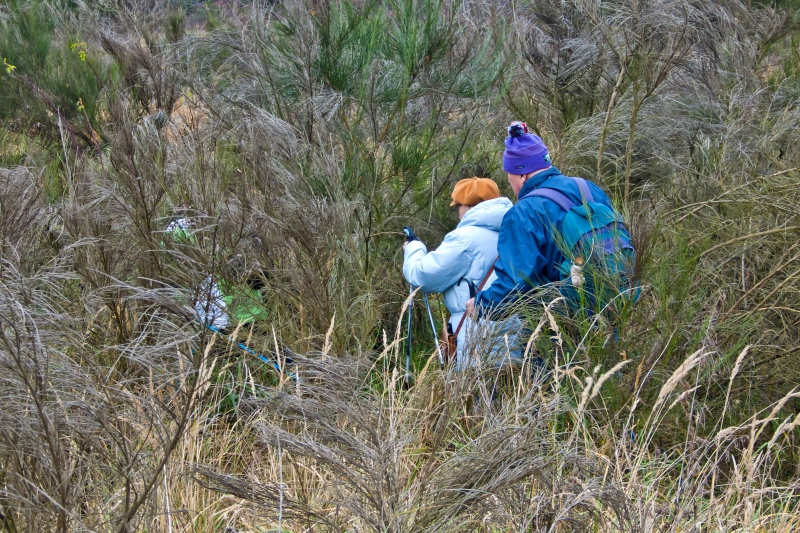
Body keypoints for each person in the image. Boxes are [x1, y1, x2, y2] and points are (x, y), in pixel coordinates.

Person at [466, 122, 633, 318]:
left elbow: (515, 285)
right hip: (618, 308)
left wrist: (481, 305)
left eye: (509, 175)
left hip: (564, 324)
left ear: (522, 175)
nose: (510, 182)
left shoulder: (523, 213)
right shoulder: (588, 188)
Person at [403, 178, 513, 369]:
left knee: (475, 388)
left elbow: (423, 277)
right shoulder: (515, 231)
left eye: (458, 207)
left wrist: (414, 248)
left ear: (469, 207)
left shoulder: (464, 239)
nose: (458, 213)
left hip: (475, 336)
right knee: (510, 385)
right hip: (513, 333)